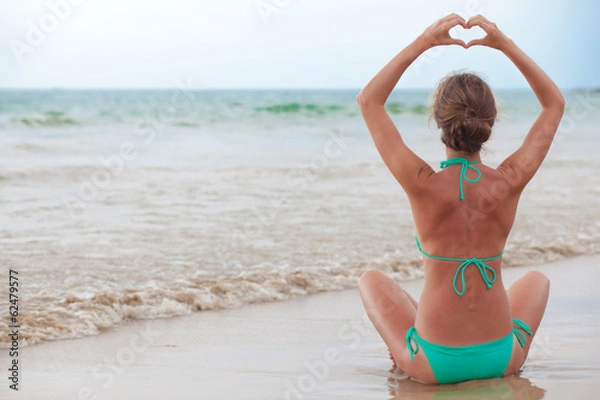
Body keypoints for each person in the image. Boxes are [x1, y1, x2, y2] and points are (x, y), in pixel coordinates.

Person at [356, 14, 565, 384]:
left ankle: (407, 350)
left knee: (370, 280)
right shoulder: (509, 181)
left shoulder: (422, 183)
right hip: (502, 359)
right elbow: (554, 105)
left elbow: (369, 101)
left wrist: (425, 41)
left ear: (439, 122)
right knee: (537, 280)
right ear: (491, 121)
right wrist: (504, 44)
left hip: (432, 365)